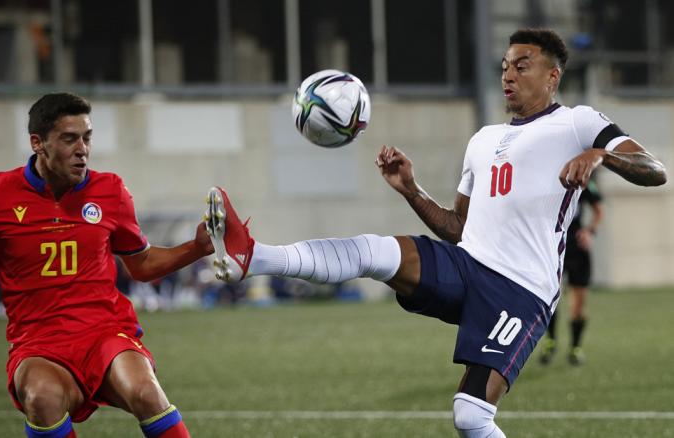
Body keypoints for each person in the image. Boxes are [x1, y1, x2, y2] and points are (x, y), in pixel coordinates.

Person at [204, 29, 667, 437]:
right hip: (468, 266)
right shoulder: (483, 140)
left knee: (471, 416)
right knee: (374, 251)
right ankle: (254, 256)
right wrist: (411, 190)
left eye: (522, 66)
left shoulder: (578, 122)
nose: (508, 76)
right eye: (504, 66)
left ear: (552, 76)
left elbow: (653, 169)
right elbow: (458, 228)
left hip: (522, 289)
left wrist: (601, 155)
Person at [0, 93, 214, 438]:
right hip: (37, 342)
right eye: (69, 139)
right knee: (41, 397)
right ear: (38, 143)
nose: (82, 149)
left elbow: (142, 265)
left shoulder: (110, 190)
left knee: (145, 391)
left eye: (87, 138)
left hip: (104, 333)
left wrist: (197, 248)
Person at [540, 178, 603, 366]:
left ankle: (575, 347)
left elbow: (599, 209)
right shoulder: (547, 179)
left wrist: (590, 231)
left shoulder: (582, 179)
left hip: (576, 248)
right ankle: (551, 342)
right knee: (549, 298)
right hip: (552, 247)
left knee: (578, 302)